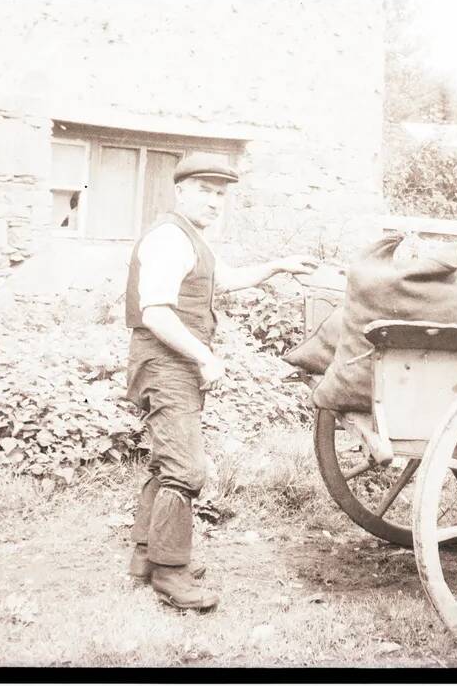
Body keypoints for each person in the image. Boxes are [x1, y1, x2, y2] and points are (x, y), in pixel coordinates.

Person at [123, 153, 317, 611]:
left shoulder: (191, 239)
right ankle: (171, 574)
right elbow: (154, 311)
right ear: (181, 191)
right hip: (165, 364)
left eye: (221, 194)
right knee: (185, 469)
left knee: (168, 462)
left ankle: (145, 559)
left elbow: (222, 280)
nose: (214, 201)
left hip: (175, 365)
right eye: (205, 191)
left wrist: (278, 265)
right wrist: (204, 355)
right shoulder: (169, 237)